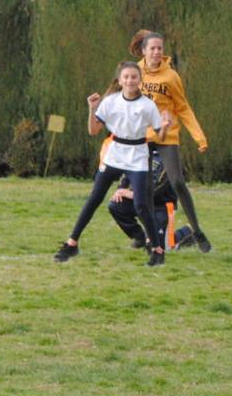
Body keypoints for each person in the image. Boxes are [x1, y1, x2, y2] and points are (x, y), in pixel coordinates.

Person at [54, 62, 167, 267]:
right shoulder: (110, 102)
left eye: (134, 77)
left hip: (137, 156)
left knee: (141, 205)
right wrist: (92, 109)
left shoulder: (148, 105)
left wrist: (164, 127)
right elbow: (93, 130)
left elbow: (159, 133)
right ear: (120, 80)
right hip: (114, 154)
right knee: (94, 198)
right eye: (126, 77)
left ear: (140, 80)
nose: (130, 81)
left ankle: (157, 249)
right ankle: (72, 243)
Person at [132, 29, 211, 252]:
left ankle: (197, 231)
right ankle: (150, 238)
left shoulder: (171, 77)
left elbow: (183, 108)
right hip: (144, 136)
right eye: (152, 48)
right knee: (144, 187)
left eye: (160, 48)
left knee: (177, 182)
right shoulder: (136, 72)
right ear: (144, 51)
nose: (157, 52)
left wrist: (199, 137)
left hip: (168, 136)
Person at [107, 147, 178, 250]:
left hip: (162, 206)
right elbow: (126, 174)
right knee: (116, 205)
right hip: (142, 202)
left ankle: (187, 233)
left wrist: (133, 194)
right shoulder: (138, 152)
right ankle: (140, 237)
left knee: (164, 246)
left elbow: (158, 188)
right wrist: (120, 190)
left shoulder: (168, 157)